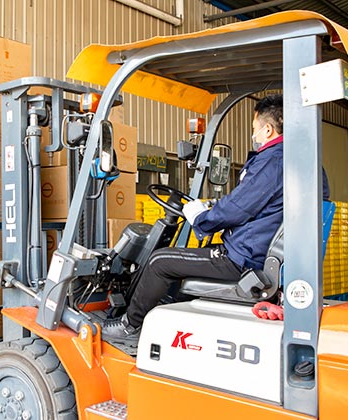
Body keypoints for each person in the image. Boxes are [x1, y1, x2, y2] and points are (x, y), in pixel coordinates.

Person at [102, 94, 330, 341]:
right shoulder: (302, 161)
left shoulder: (273, 161)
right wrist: (213, 206)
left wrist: (201, 217)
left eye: (255, 129)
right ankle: (168, 319)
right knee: (183, 259)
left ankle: (130, 326)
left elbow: (238, 209)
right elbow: (258, 205)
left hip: (244, 259)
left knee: (160, 261)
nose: (254, 135)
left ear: (267, 129)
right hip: (264, 253)